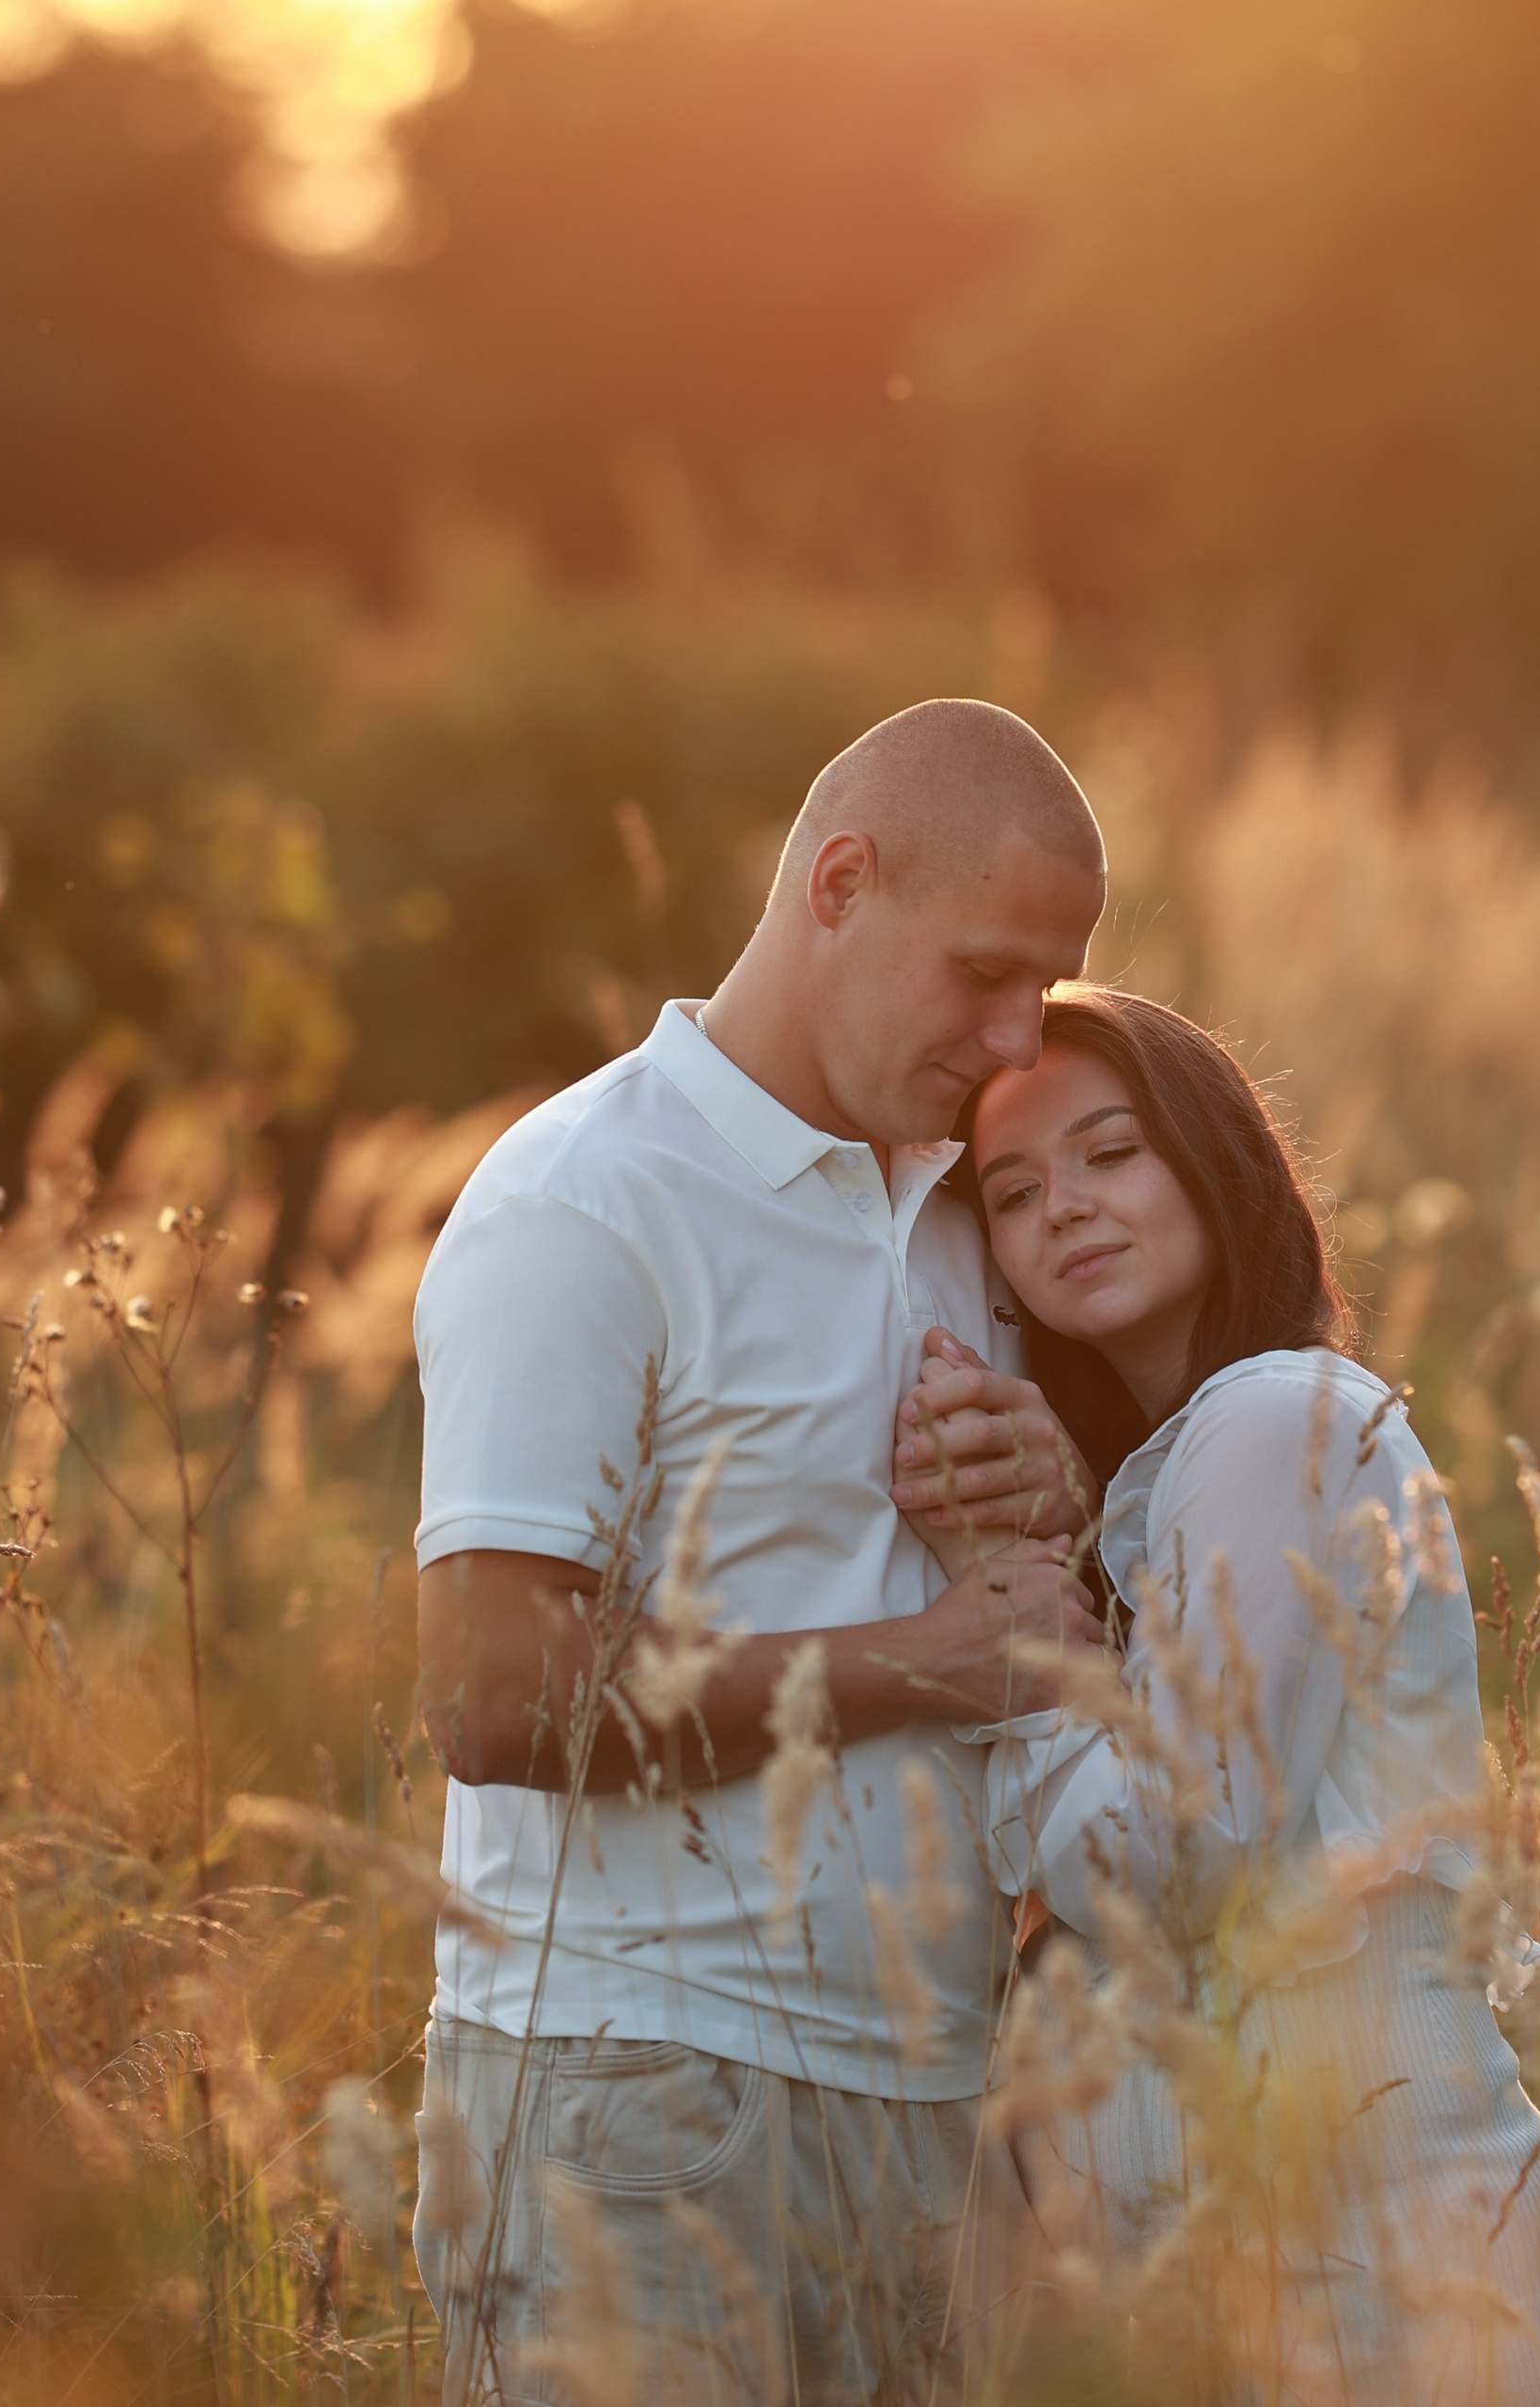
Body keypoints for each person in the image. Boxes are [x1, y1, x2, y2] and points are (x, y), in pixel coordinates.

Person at [410, 700, 1112, 2406]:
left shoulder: (977, 1207)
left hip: (938, 2110)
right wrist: (927, 1665)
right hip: (637, 2103)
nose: (1022, 1034)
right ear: (840, 882)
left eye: (1049, 984)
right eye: (985, 971)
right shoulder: (585, 1200)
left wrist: (1067, 1488)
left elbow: (1067, 1617)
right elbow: (500, 1703)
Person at [888, 986, 1540, 2407]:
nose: (1067, 1209)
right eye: (1017, 1189)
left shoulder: (1276, 1411)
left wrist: (1017, 1655)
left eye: (1113, 1153)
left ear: (1215, 1162)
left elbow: (1180, 1859)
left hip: (1395, 2293)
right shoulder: (1203, 1468)